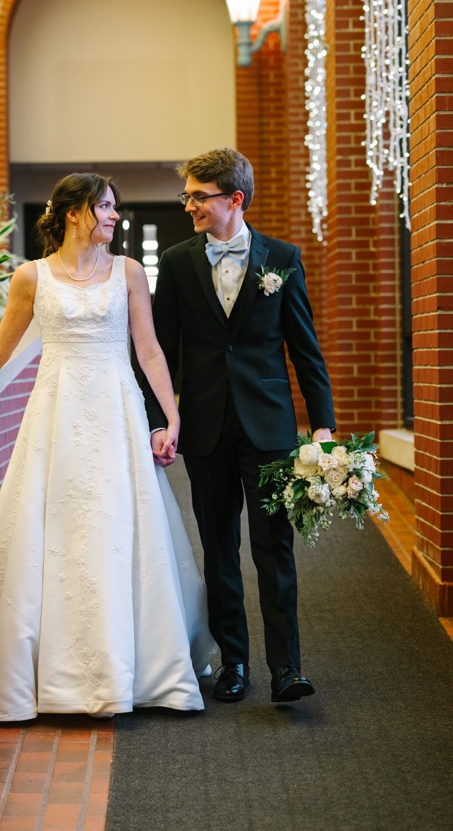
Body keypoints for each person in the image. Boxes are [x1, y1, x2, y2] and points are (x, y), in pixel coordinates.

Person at [0, 172, 215, 721]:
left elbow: (151, 351)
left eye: (115, 208)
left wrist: (172, 414)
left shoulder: (129, 272)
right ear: (74, 213)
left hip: (116, 411)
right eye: (107, 207)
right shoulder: (31, 277)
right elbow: (3, 343)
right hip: (57, 413)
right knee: (56, 528)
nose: (116, 217)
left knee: (119, 524)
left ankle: (137, 666)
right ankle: (51, 674)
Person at [142, 147, 335, 704]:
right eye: (188, 196)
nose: (190, 208)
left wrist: (321, 427)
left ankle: (287, 669)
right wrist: (161, 419)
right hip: (204, 429)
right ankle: (234, 663)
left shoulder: (283, 258)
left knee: (274, 548)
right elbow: (161, 353)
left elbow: (306, 352)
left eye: (199, 197)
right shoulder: (178, 263)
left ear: (235, 199)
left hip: (269, 429)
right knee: (219, 548)